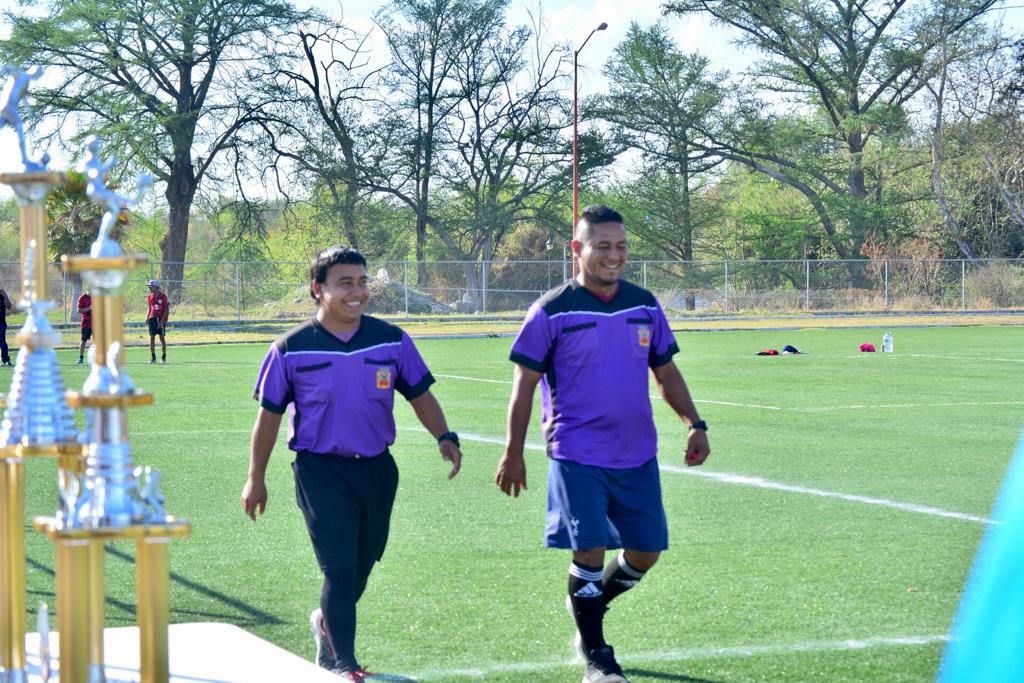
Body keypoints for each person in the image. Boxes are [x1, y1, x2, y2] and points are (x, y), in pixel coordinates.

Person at [495, 205, 711, 683]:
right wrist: (513, 452)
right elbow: (523, 387)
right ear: (578, 250)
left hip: (637, 452)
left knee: (645, 552)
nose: (614, 256)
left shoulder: (644, 304)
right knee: (589, 551)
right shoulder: (551, 310)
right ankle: (597, 657)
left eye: (621, 247)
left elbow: (666, 371)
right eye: (602, 246)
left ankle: (586, 611)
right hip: (577, 452)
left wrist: (695, 423)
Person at [240, 246, 463, 682]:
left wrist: (445, 436)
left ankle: (326, 623)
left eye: (362, 282)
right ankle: (344, 664)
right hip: (320, 471)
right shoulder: (290, 349)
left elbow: (420, 394)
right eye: (345, 283)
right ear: (317, 289)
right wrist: (255, 478)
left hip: (378, 470)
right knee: (339, 567)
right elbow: (267, 419)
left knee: (363, 563)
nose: (357, 291)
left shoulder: (391, 340)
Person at [145, 279, 169, 364]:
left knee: (162, 338)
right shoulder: (149, 296)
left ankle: (163, 357)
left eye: (151, 287)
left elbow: (166, 310)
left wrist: (161, 321)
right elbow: (150, 307)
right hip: (152, 318)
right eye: (149, 287)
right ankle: (153, 358)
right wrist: (147, 317)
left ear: (157, 287)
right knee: (152, 338)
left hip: (160, 319)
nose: (150, 288)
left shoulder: (163, 296)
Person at [77, 287, 92, 364]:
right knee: (83, 341)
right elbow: (79, 310)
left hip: (96, 323)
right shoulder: (82, 298)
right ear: (87, 290)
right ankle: (81, 358)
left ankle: (100, 358)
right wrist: (89, 308)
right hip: (86, 323)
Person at [0, 284, 12, 366]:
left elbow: (9, 306)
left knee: (2, 342)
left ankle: (6, 360)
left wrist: (5, 295)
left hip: (1, 323)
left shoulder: (3, 294)